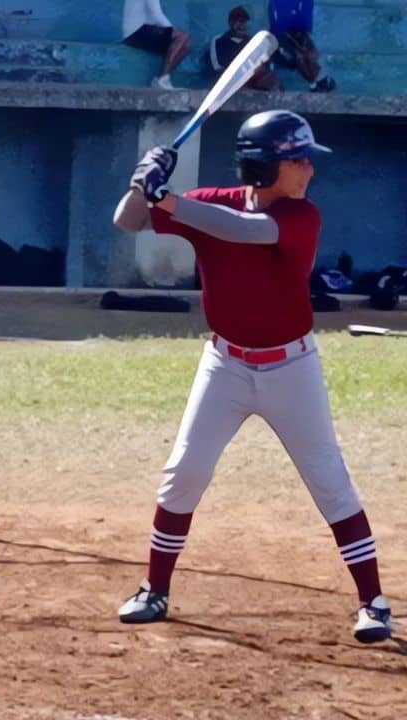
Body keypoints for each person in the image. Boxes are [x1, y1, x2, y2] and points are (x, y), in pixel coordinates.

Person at [111, 110, 393, 643]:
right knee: (183, 472)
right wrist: (141, 180)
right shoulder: (212, 202)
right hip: (225, 365)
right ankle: (154, 590)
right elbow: (127, 220)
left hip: (291, 367)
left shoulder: (300, 216)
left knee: (329, 481)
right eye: (297, 160)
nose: (309, 168)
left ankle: (374, 603)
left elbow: (245, 232)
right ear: (267, 167)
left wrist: (166, 197)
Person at [209, 6, 282, 91]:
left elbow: (260, 63)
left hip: (249, 77)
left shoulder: (251, 42)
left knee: (274, 81)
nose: (241, 25)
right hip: (228, 78)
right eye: (238, 22)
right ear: (230, 23)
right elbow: (217, 66)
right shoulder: (219, 40)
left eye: (243, 22)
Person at [122, 0, 191, 90]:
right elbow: (156, 14)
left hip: (139, 31)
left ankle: (162, 79)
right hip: (136, 33)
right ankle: (162, 78)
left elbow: (151, 17)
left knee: (186, 48)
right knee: (183, 36)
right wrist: (171, 31)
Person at [270, 0, 336, 92]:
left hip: (297, 32)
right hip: (282, 35)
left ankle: (318, 81)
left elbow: (305, 11)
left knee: (310, 54)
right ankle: (314, 84)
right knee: (300, 57)